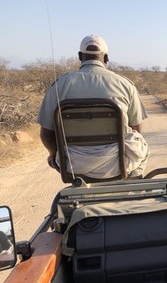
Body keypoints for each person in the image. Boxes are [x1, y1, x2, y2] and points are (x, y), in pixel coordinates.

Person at [38, 35, 149, 179]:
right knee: (143, 148)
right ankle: (132, 183)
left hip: (73, 165)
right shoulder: (125, 84)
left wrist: (54, 154)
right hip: (117, 165)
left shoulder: (60, 85)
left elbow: (46, 134)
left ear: (79, 56)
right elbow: (136, 130)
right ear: (106, 58)